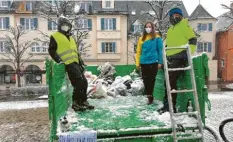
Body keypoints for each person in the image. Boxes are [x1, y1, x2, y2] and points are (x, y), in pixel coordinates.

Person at [48, 16, 94, 112]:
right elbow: (52, 51)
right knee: (78, 82)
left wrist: (80, 62)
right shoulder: (55, 36)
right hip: (67, 63)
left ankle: (83, 101)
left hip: (75, 63)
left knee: (84, 82)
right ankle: (76, 103)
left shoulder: (71, 38)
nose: (66, 27)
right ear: (59, 26)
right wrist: (59, 60)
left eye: (67, 25)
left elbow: (75, 51)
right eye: (63, 25)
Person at [158, 7, 197, 114]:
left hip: (179, 57)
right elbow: (168, 44)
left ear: (181, 16)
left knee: (171, 81)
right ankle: (167, 105)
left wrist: (187, 54)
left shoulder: (184, 25)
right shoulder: (171, 29)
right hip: (169, 58)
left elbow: (193, 40)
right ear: (170, 17)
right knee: (167, 82)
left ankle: (171, 107)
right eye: (173, 15)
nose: (175, 17)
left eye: (177, 15)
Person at [136, 21, 163, 105]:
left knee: (151, 80)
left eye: (149, 26)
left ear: (152, 28)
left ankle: (150, 97)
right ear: (144, 28)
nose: (148, 28)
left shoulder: (157, 38)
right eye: (146, 26)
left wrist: (160, 62)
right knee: (145, 80)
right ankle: (149, 96)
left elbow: (160, 50)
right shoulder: (141, 39)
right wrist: (137, 63)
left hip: (153, 62)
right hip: (143, 62)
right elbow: (138, 52)